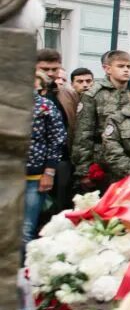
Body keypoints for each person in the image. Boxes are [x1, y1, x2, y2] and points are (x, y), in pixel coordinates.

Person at [72, 49, 130, 190]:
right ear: (107, 69)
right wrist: (84, 170)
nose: (126, 70)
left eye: (129, 67)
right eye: (121, 66)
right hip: (102, 161)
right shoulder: (93, 94)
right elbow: (83, 135)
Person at [23, 71, 66, 253]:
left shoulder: (44, 106)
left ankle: (21, 273)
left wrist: (49, 172)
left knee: (26, 230)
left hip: (34, 176)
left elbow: (57, 139)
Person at [35, 48, 77, 214]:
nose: (51, 74)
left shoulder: (68, 94)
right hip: (32, 162)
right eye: (45, 69)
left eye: (55, 69)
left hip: (62, 161)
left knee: (58, 209)